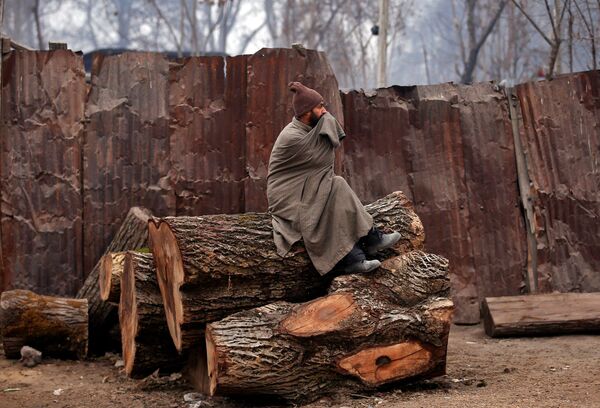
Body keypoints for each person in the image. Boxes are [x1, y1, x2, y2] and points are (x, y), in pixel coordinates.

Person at [267, 81, 400, 275]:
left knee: (336, 185)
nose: (325, 112)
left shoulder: (309, 129)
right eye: (319, 107)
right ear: (306, 113)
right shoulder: (292, 137)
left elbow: (330, 135)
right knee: (334, 187)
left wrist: (324, 118)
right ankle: (368, 243)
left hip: (306, 187)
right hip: (287, 198)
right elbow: (328, 151)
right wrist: (327, 121)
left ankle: (358, 254)